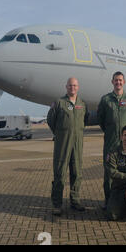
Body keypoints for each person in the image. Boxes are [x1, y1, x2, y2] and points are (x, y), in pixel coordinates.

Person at [97, 71, 126, 209]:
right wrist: (111, 131)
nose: (118, 82)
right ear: (112, 82)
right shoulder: (106, 100)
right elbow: (101, 120)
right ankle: (109, 200)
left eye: (120, 80)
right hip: (111, 142)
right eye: (116, 80)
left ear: (124, 82)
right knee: (109, 173)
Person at [47, 77, 89, 216]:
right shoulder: (59, 103)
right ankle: (57, 204)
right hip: (62, 143)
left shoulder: (82, 104)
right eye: (70, 85)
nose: (73, 87)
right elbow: (50, 120)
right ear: (66, 87)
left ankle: (75, 200)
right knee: (60, 173)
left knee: (77, 172)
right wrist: (60, 134)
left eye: (75, 85)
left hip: (77, 144)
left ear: (78, 87)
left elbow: (85, 119)